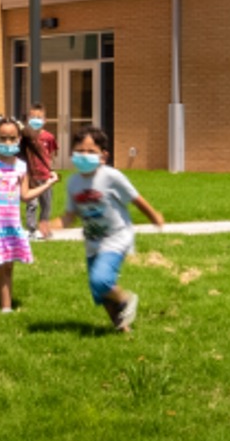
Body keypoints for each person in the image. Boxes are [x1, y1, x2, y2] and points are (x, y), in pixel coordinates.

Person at [62, 128, 165, 333]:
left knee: (101, 280)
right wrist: (52, 225)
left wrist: (153, 216)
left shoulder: (111, 176)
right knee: (100, 292)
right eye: (79, 151)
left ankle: (126, 299)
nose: (84, 156)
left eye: (91, 151)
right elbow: (70, 215)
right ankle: (122, 328)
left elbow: (135, 198)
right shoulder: (73, 182)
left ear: (103, 155)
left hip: (116, 237)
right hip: (93, 242)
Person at [0, 116, 54, 315]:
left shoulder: (22, 166)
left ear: (19, 139)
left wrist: (48, 184)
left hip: (12, 226)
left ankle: (6, 307)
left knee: (8, 268)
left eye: (12, 138)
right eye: (3, 138)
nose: (8, 143)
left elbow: (25, 195)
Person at [22, 104, 61, 239]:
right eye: (32, 117)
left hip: (45, 175)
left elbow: (51, 154)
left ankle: (44, 229)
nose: (36, 120)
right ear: (27, 119)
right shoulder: (25, 137)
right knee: (31, 204)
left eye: (39, 117)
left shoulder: (49, 137)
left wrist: (51, 170)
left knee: (46, 204)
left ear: (45, 120)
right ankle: (31, 230)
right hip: (30, 176)